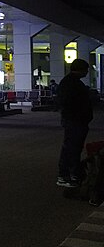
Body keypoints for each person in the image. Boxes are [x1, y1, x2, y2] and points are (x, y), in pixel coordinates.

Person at [56, 59, 94, 188]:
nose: (87, 72)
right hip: (75, 121)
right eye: (86, 70)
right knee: (72, 148)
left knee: (72, 147)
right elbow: (70, 103)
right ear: (81, 69)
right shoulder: (72, 84)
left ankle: (70, 174)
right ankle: (66, 175)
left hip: (75, 120)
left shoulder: (70, 82)